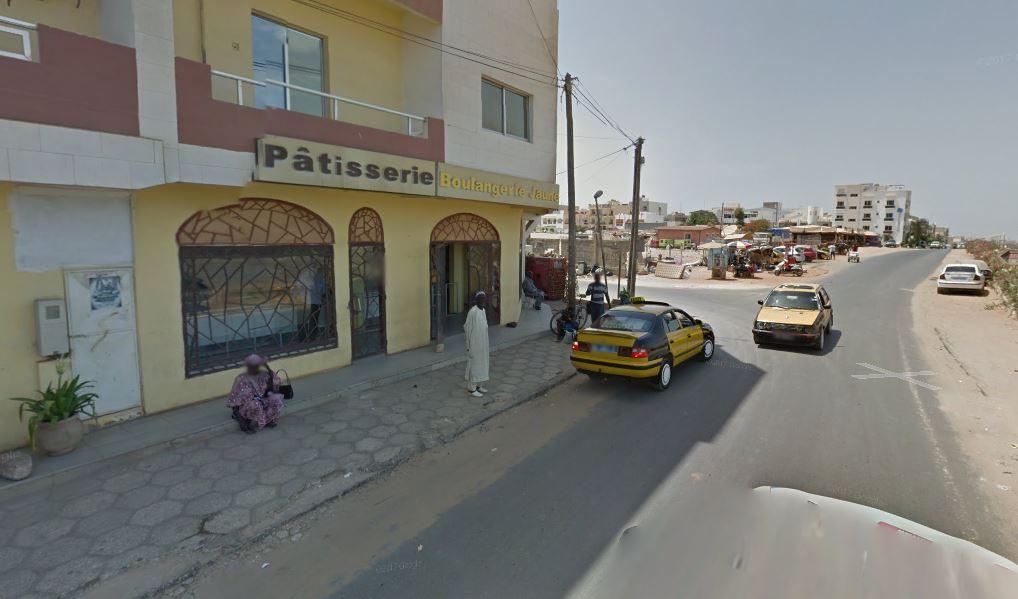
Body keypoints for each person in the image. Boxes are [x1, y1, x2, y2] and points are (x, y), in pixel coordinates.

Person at [227, 354, 284, 433]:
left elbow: (276, 381)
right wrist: (241, 420)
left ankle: (268, 419)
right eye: (253, 365)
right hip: (248, 404)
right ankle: (247, 424)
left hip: (262, 399)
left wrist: (267, 367)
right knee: (255, 404)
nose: (255, 367)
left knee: (276, 399)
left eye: (257, 365)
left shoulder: (263, 374)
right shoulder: (241, 379)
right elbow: (235, 400)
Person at [464, 291, 490, 397]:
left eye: (484, 299)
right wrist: (468, 345)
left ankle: (479, 385)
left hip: (483, 342)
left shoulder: (483, 310)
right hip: (474, 343)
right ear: (477, 300)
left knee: (483, 364)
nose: (483, 301)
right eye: (481, 299)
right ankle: (472, 388)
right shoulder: (473, 312)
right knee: (474, 364)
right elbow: (467, 328)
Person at [296, 265, 327, 341]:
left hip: (306, 302)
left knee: (306, 320)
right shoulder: (319, 278)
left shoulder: (310, 277)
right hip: (314, 302)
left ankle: (304, 337)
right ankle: (311, 337)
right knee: (313, 320)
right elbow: (323, 291)